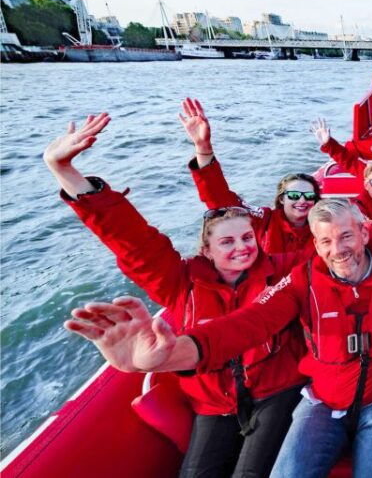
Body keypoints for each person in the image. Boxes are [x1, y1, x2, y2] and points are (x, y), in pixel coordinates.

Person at [64, 198, 372, 478]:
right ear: (315, 246)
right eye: (325, 241)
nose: (338, 250)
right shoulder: (300, 280)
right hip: (321, 402)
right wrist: (172, 354)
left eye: (345, 237)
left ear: (364, 232)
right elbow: (248, 324)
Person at [47, 113, 307, 478]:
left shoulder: (282, 270)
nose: (241, 248)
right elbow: (133, 241)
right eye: (227, 242)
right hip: (212, 404)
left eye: (248, 238)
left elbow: (329, 259)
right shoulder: (181, 281)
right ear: (207, 249)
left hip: (277, 392)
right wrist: (65, 173)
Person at [180, 98, 321, 255]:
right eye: (294, 195)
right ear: (282, 199)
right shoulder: (264, 219)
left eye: (308, 196)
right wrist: (203, 148)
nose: (302, 200)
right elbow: (220, 199)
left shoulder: (323, 226)